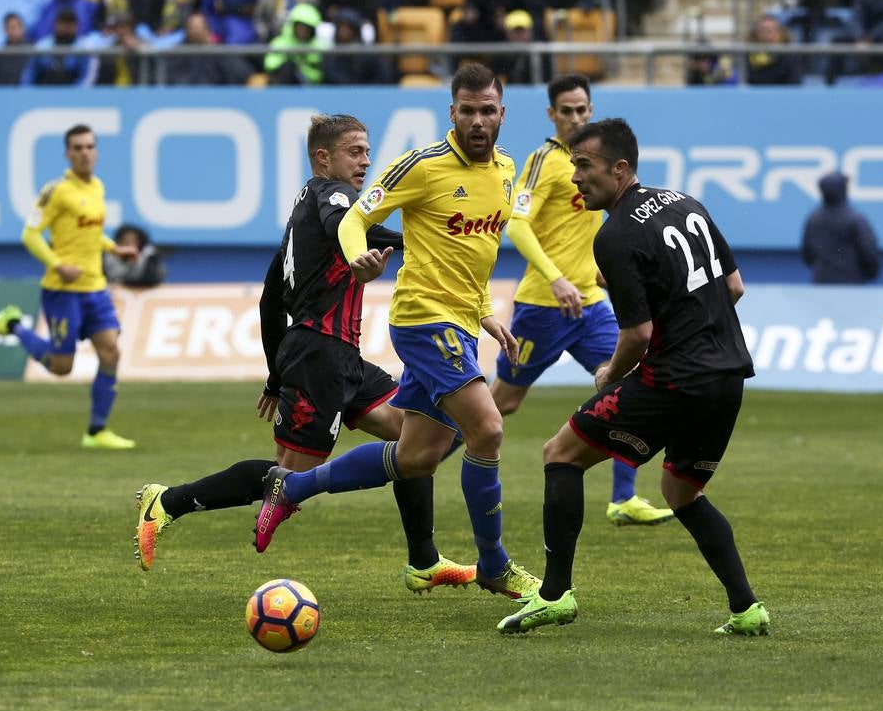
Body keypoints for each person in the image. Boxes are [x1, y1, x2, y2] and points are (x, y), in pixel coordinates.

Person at [134, 116, 475, 594]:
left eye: (366, 150)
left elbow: (270, 297)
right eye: (355, 151)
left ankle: (424, 560)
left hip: (339, 358)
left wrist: (276, 375)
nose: (365, 160)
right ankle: (167, 501)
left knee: (422, 439)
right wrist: (418, 241)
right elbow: (345, 225)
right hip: (319, 355)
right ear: (324, 158)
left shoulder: (300, 214)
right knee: (288, 476)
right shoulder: (332, 198)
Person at [255, 63, 541, 603]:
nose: (477, 120)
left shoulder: (505, 171)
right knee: (488, 429)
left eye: (487, 110)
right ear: (451, 113)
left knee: (416, 456)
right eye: (467, 110)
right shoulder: (421, 166)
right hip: (422, 319)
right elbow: (352, 219)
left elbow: (474, 254)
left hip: (460, 320)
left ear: (502, 114)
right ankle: (495, 565)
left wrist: (483, 311)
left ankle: (290, 487)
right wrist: (357, 258)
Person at [496, 118, 766, 636]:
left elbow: (638, 334)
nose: (576, 177)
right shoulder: (686, 202)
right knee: (682, 493)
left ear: (620, 169)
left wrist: (609, 373)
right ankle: (746, 608)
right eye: (573, 164)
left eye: (585, 166)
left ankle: (553, 596)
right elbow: (733, 287)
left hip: (673, 379)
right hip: (728, 375)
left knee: (560, 454)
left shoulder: (614, 234)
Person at [492, 75, 674, 528]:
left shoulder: (599, 162)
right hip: (542, 307)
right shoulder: (544, 161)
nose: (575, 116)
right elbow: (516, 226)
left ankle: (623, 498)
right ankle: (425, 456)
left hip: (590, 303)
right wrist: (555, 279)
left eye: (582, 109)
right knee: (501, 404)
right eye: (566, 110)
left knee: (629, 383)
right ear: (552, 114)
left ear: (590, 110)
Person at [0, 125, 139, 450]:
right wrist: (56, 264)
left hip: (95, 287)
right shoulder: (56, 191)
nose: (84, 152)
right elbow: (30, 234)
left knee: (111, 352)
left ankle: (96, 432)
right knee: (62, 367)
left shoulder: (97, 187)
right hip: (63, 290)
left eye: (90, 146)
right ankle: (13, 325)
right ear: (67, 153)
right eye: (77, 147)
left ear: (96, 151)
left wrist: (113, 249)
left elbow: (90, 233)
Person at [801, 171, 880, 284]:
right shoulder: (855, 218)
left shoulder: (813, 219)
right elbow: (869, 252)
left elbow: (807, 255)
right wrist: (870, 273)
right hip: (852, 283)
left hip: (821, 282)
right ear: (843, 190)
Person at [263, 1, 328, 85]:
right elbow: (270, 65)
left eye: (306, 28)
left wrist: (303, 67)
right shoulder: (280, 43)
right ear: (293, 26)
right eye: (300, 27)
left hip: (310, 88)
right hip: (285, 86)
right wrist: (292, 59)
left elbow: (320, 74)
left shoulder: (320, 47)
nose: (302, 31)